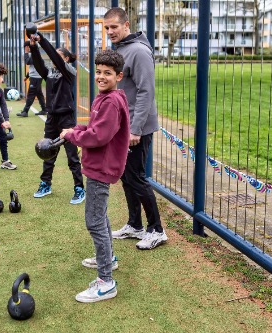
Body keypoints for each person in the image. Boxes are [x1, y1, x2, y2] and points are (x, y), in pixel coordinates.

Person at [61, 49, 129, 303]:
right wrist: (76, 128)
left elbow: (99, 136)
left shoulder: (111, 101)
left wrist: (71, 136)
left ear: (119, 76)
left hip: (101, 167)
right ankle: (109, 260)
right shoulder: (104, 97)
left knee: (94, 221)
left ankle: (106, 282)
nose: (101, 77)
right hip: (97, 165)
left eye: (107, 73)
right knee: (100, 216)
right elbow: (93, 126)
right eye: (98, 72)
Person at [103, 8, 168, 249]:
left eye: (114, 27)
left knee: (137, 177)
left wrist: (136, 130)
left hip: (136, 128)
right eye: (107, 27)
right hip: (123, 126)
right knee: (127, 177)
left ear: (126, 25)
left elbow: (145, 92)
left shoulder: (139, 51)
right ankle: (135, 225)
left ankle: (157, 230)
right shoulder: (119, 49)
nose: (110, 31)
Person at [28, 32, 85, 204]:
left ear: (66, 59)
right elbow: (38, 65)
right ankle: (45, 184)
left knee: (71, 155)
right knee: (47, 151)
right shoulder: (51, 74)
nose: (54, 59)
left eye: (59, 57)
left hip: (66, 118)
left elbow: (55, 57)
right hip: (52, 118)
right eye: (54, 57)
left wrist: (42, 40)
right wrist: (33, 46)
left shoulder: (69, 72)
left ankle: (79, 188)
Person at [16, 40, 46, 117]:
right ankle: (44, 109)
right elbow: (34, 68)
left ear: (27, 47)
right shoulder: (34, 54)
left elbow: (27, 62)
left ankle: (25, 111)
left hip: (36, 78)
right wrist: (26, 77)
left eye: (25, 47)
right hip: (36, 77)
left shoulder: (34, 54)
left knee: (31, 94)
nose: (25, 49)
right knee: (39, 94)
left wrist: (26, 52)